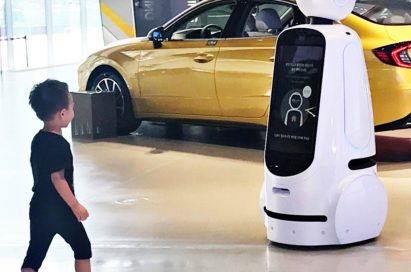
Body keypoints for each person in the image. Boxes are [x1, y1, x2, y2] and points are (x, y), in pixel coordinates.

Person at [21, 79, 92, 272]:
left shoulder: (38, 139)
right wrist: (75, 205)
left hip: (38, 207)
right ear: (62, 114)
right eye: (72, 106)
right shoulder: (60, 145)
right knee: (82, 248)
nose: (73, 109)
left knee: (35, 254)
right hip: (61, 210)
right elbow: (57, 178)